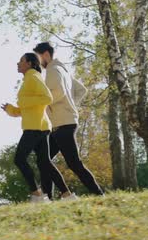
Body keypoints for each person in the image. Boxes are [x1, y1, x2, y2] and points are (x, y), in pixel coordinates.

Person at [1, 53, 75, 203]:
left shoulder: (33, 76)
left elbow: (47, 98)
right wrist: (10, 109)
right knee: (44, 162)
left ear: (29, 63)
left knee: (20, 159)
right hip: (40, 126)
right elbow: (26, 108)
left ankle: (37, 194)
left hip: (35, 127)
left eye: (21, 60)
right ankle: (67, 195)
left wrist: (23, 101)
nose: (18, 63)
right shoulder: (29, 79)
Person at [33, 42, 104, 199]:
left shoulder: (52, 70)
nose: (38, 62)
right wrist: (70, 105)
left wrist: (44, 102)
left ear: (45, 54)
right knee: (43, 158)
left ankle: (99, 194)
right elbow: (81, 90)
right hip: (63, 122)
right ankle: (47, 197)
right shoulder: (63, 70)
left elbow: (58, 92)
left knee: (73, 163)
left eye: (38, 57)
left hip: (63, 123)